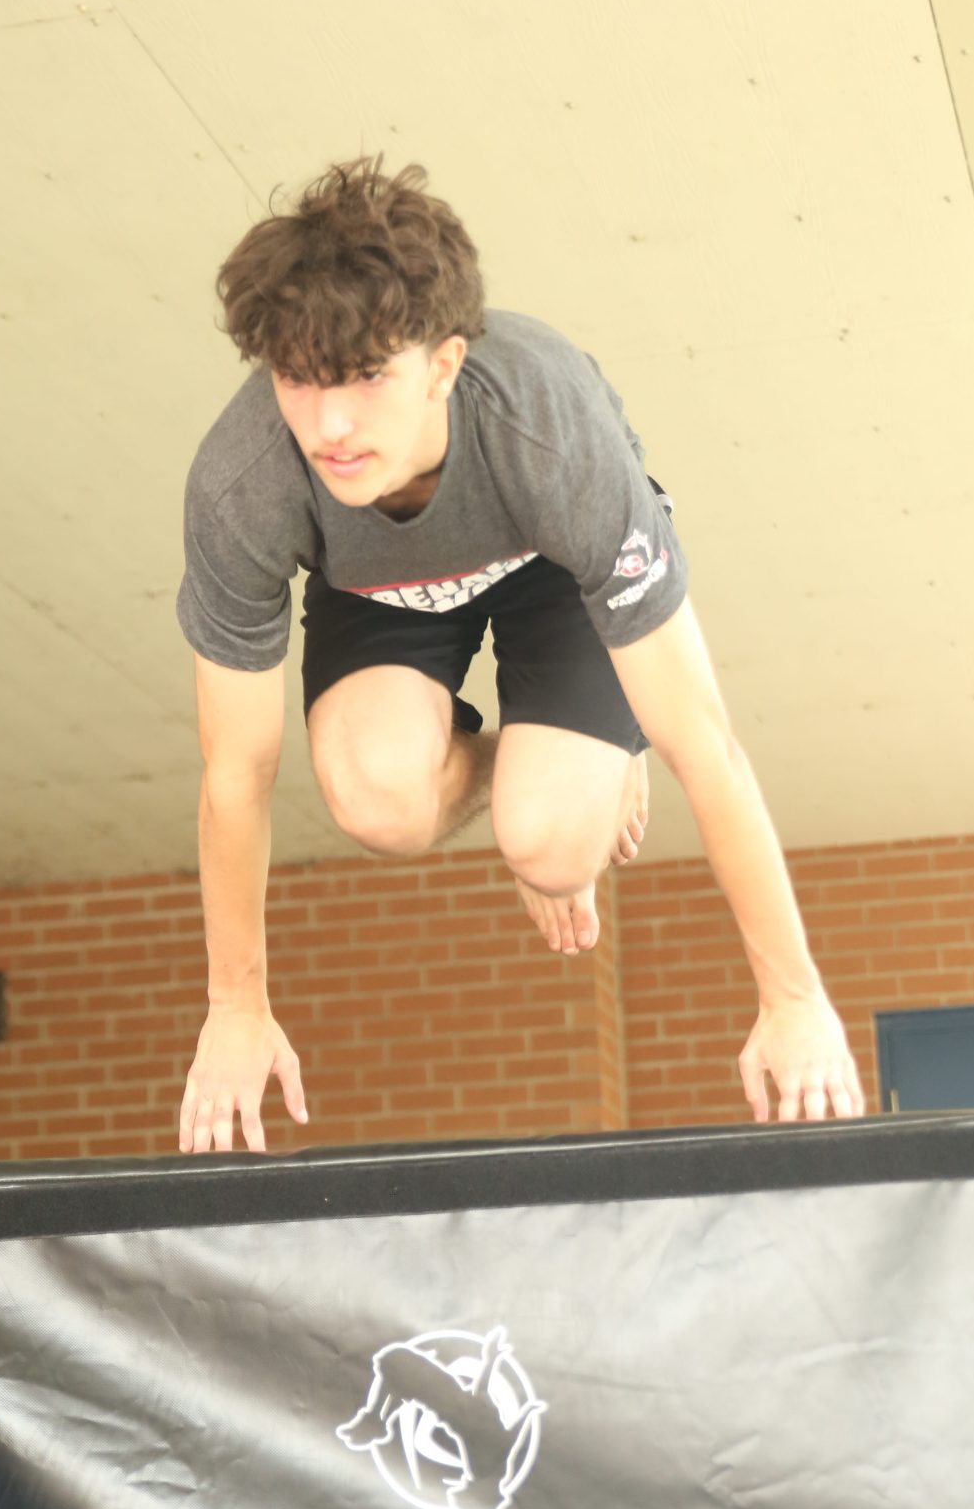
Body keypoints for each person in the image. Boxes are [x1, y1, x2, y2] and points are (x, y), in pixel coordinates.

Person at [175, 156, 863, 1153]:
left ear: (442, 364)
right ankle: (552, 759)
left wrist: (794, 999)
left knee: (548, 841)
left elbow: (705, 743)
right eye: (297, 379)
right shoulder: (243, 482)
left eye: (367, 376)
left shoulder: (550, 433)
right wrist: (235, 1006)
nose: (330, 425)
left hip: (558, 568)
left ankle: (582, 764)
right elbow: (235, 770)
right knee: (377, 804)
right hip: (377, 585)